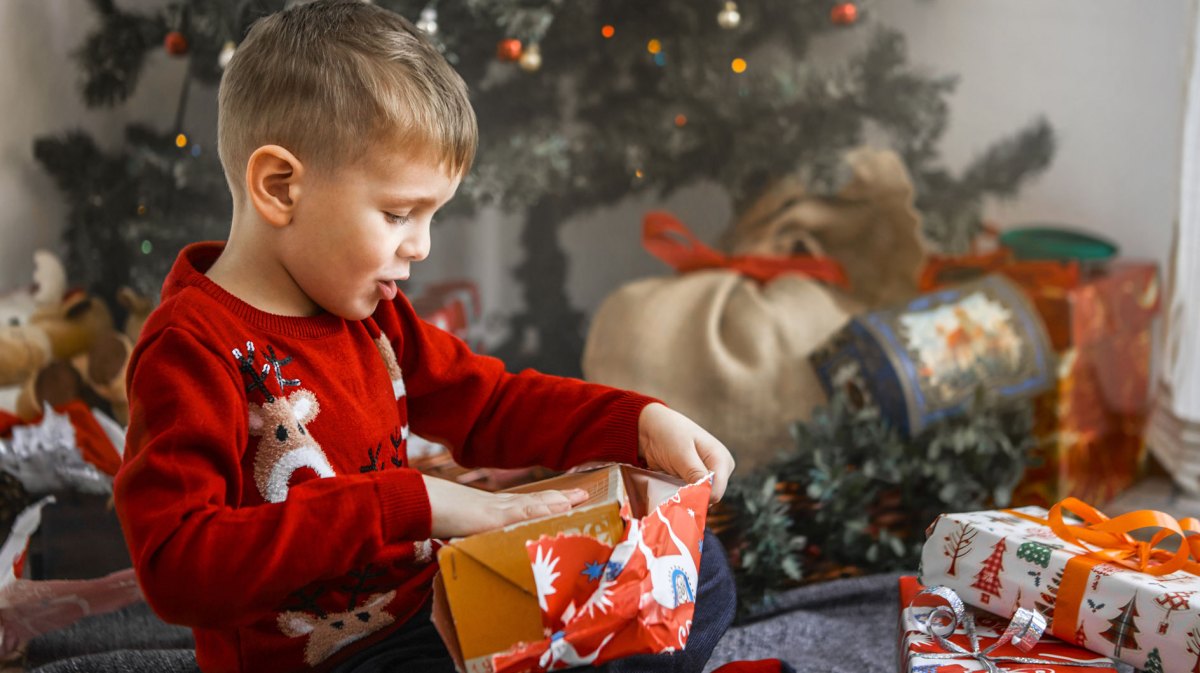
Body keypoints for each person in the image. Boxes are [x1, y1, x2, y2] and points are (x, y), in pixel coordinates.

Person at [113, 2, 736, 672]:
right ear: (280, 187)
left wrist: (636, 421)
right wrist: (413, 502)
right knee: (599, 642)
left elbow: (491, 403)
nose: (421, 247)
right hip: (337, 660)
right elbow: (178, 564)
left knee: (698, 564)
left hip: (436, 608)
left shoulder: (373, 316)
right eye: (398, 213)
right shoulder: (191, 347)